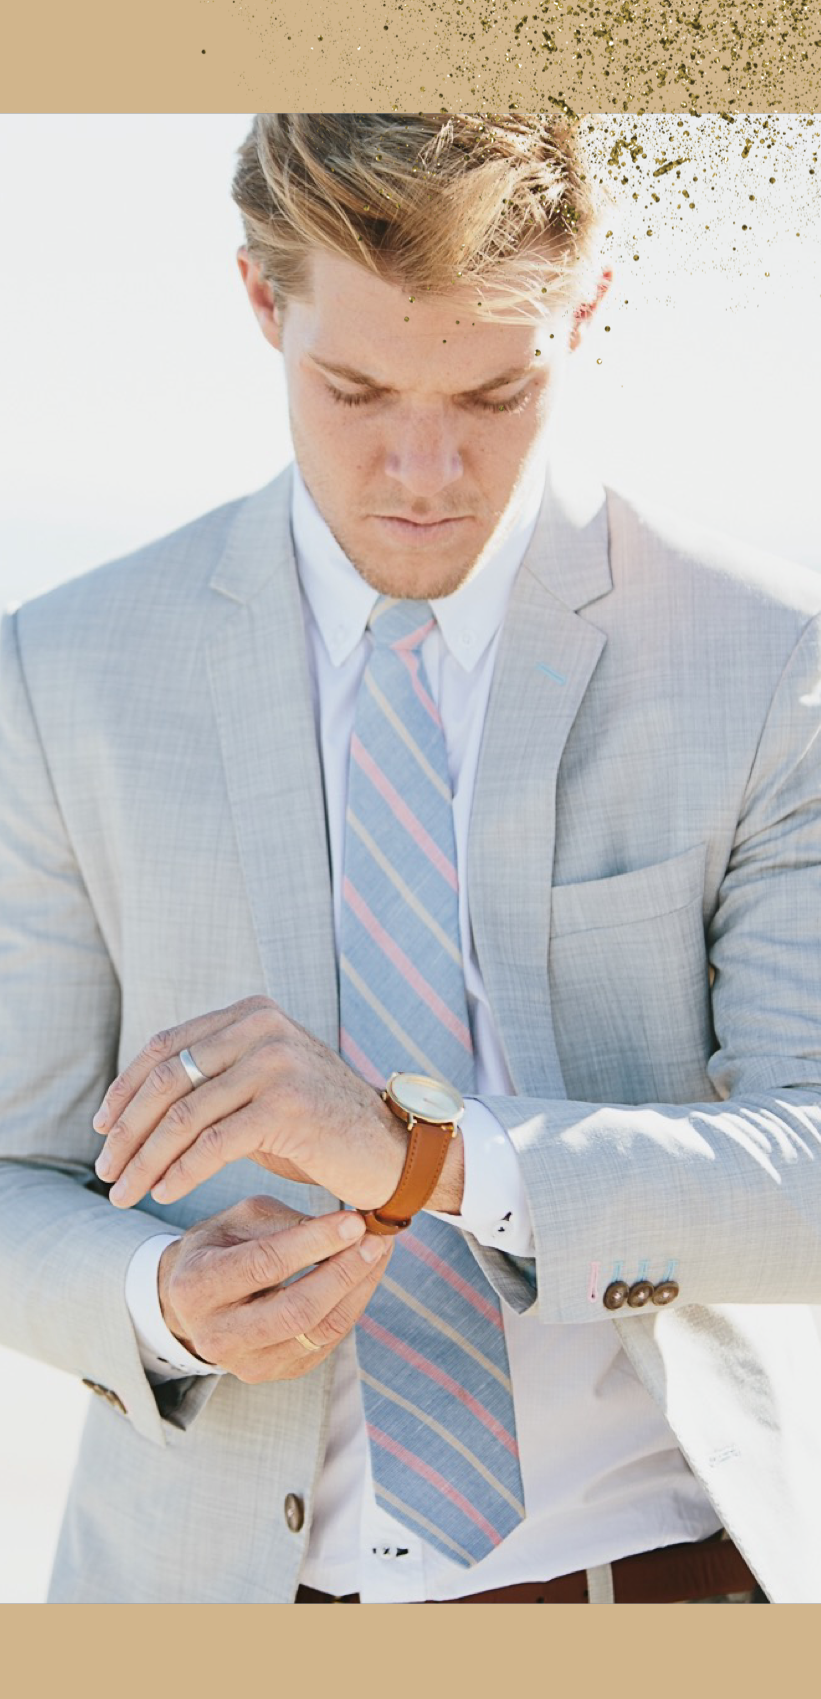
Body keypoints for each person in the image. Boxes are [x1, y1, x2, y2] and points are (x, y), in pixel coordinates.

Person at [1, 113, 820, 1608]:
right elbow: (13, 1165)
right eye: (357, 387)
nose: (427, 467)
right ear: (262, 299)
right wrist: (157, 1298)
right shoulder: (61, 672)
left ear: (591, 308)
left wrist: (427, 1158)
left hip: (657, 1585)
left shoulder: (766, 661)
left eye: (498, 392)